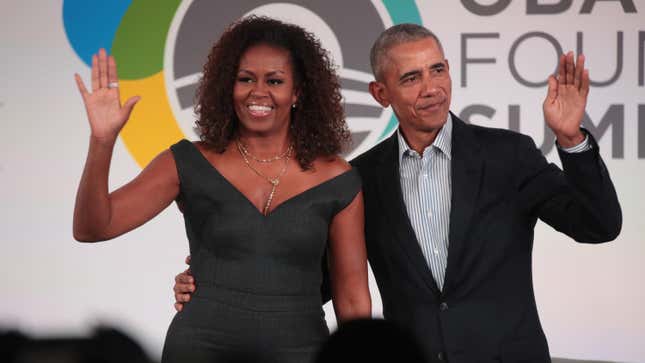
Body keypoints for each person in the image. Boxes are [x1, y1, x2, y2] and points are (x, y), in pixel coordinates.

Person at [174, 23, 622, 362]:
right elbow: (316, 283)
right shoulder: (360, 179)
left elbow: (598, 226)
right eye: (410, 78)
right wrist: (214, 281)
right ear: (380, 92)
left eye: (438, 70)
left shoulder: (508, 156)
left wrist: (571, 140)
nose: (431, 88)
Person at [72, 16, 371, 363]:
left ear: (298, 92)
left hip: (301, 351)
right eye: (245, 79)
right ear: (228, 87)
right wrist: (102, 140)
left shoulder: (337, 179)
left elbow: (352, 299)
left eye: (274, 80)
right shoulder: (187, 161)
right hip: (199, 349)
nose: (258, 92)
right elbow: (93, 227)